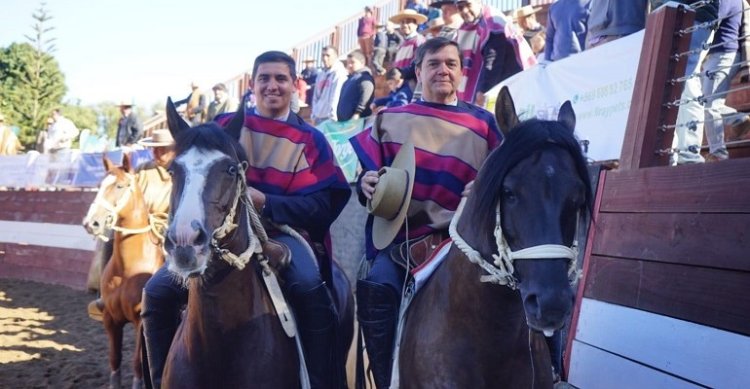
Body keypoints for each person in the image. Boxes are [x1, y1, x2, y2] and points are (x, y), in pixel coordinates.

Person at [142, 51, 351, 389]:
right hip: (221, 236)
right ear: (252, 85)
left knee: (310, 288)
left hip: (283, 236)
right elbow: (193, 167)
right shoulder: (223, 126)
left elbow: (324, 205)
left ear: (295, 85)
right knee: (155, 292)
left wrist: (268, 203)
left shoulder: (312, 141)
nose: (272, 86)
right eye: (264, 78)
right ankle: (158, 380)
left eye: (281, 78)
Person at [350, 37, 503, 388]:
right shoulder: (388, 119)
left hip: (463, 241)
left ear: (462, 74)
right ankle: (388, 375)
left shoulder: (485, 124)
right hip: (402, 240)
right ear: (418, 72)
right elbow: (367, 181)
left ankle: (546, 369)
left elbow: (507, 182)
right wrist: (365, 184)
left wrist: (485, 189)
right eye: (433, 63)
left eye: (451, 64)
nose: (443, 70)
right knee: (377, 285)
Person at [87, 129, 175, 321]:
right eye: (154, 149)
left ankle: (180, 299)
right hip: (141, 223)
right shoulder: (143, 169)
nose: (157, 153)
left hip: (167, 223)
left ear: (174, 149)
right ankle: (104, 296)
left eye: (162, 149)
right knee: (111, 237)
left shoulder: (179, 171)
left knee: (177, 249)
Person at [455, 0, 536, 105]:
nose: (465, 10)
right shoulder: (467, 27)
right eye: (460, 7)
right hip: (496, 84)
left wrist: (484, 89)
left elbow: (493, 60)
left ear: (479, 2)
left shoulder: (492, 23)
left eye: (468, 5)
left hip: (507, 82)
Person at [702, 0, 750, 161]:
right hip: (722, 54)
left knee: (709, 104)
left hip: (722, 54)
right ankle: (738, 119)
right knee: (707, 103)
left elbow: (711, 20)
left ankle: (718, 152)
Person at [311, 46, 348, 124]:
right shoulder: (320, 74)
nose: (325, 58)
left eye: (328, 55)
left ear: (336, 56)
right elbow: (315, 96)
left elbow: (335, 95)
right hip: (318, 116)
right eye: (323, 55)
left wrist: (332, 116)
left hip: (330, 117)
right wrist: (314, 114)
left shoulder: (339, 73)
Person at [337, 50, 375, 121]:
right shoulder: (349, 79)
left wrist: (358, 113)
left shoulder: (364, 78)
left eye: (352, 62)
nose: (349, 65)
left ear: (362, 63)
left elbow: (366, 96)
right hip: (345, 122)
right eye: (348, 63)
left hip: (357, 121)